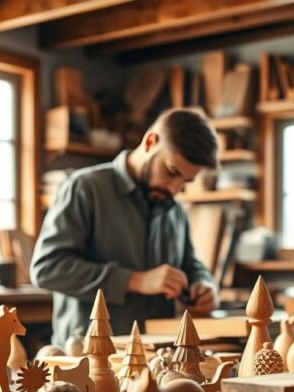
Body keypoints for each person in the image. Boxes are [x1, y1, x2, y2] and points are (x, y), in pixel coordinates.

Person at [31, 108, 221, 347]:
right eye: (172, 172)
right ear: (151, 142)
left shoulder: (174, 210)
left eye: (185, 182)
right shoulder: (85, 188)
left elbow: (190, 265)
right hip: (87, 358)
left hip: (156, 356)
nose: (174, 189)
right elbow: (47, 268)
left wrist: (204, 285)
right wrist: (135, 280)